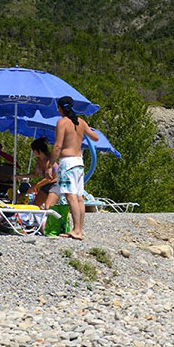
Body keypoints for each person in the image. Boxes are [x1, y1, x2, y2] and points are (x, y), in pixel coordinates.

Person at [50, 96, 98, 240]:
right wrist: (85, 130)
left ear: (59, 108)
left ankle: (76, 230)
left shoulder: (62, 122)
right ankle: (79, 230)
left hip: (67, 162)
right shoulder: (81, 122)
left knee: (70, 196)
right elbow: (95, 138)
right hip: (79, 162)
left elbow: (58, 145)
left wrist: (52, 163)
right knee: (79, 198)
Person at [29, 137, 61, 209]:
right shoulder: (39, 160)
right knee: (35, 206)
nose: (33, 152)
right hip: (46, 185)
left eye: (33, 150)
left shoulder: (49, 161)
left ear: (37, 150)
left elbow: (49, 179)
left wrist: (34, 186)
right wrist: (19, 176)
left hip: (56, 184)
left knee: (48, 206)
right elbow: (35, 174)